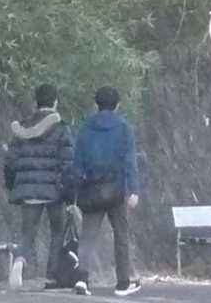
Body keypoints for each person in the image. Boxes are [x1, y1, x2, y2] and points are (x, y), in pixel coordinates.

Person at [72, 85, 142, 296]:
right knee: (121, 235)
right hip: (116, 189)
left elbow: (78, 162)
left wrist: (75, 190)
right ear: (117, 105)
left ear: (96, 104)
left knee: (87, 237)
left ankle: (82, 279)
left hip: (91, 189)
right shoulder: (124, 128)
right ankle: (123, 283)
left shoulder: (86, 127)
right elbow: (129, 161)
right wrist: (133, 189)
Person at [3, 83, 74, 285]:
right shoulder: (61, 129)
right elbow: (67, 163)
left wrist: (12, 185)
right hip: (54, 191)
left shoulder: (22, 129)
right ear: (55, 103)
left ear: (36, 103)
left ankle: (19, 261)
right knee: (57, 230)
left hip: (27, 189)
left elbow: (10, 162)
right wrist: (70, 193)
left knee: (28, 232)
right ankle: (52, 275)